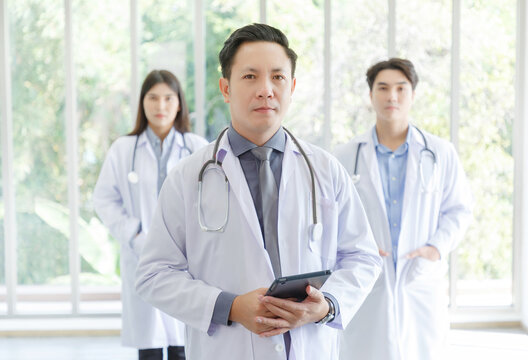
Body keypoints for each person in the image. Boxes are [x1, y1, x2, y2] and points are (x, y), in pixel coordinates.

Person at [135, 23, 382, 360]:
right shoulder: (187, 177)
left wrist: (327, 306)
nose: (266, 89)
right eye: (250, 77)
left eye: (278, 77)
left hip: (309, 346)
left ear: (292, 87)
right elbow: (154, 274)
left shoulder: (325, 170)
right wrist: (231, 307)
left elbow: (362, 256)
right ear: (225, 88)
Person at [335, 58, 473, 360]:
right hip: (369, 276)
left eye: (401, 88)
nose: (391, 96)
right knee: (365, 350)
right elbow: (336, 218)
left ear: (412, 94)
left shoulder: (440, 153)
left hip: (419, 275)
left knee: (423, 350)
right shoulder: (345, 156)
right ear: (371, 95)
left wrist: (436, 248)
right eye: (382, 88)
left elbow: (459, 209)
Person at [93, 70, 208, 360]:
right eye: (153, 98)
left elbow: (212, 200)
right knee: (151, 346)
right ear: (142, 104)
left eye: (169, 98)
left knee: (185, 343)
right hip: (142, 255)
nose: (161, 106)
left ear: (179, 103)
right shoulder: (123, 149)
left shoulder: (196, 147)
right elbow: (104, 199)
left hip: (187, 258)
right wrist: (134, 233)